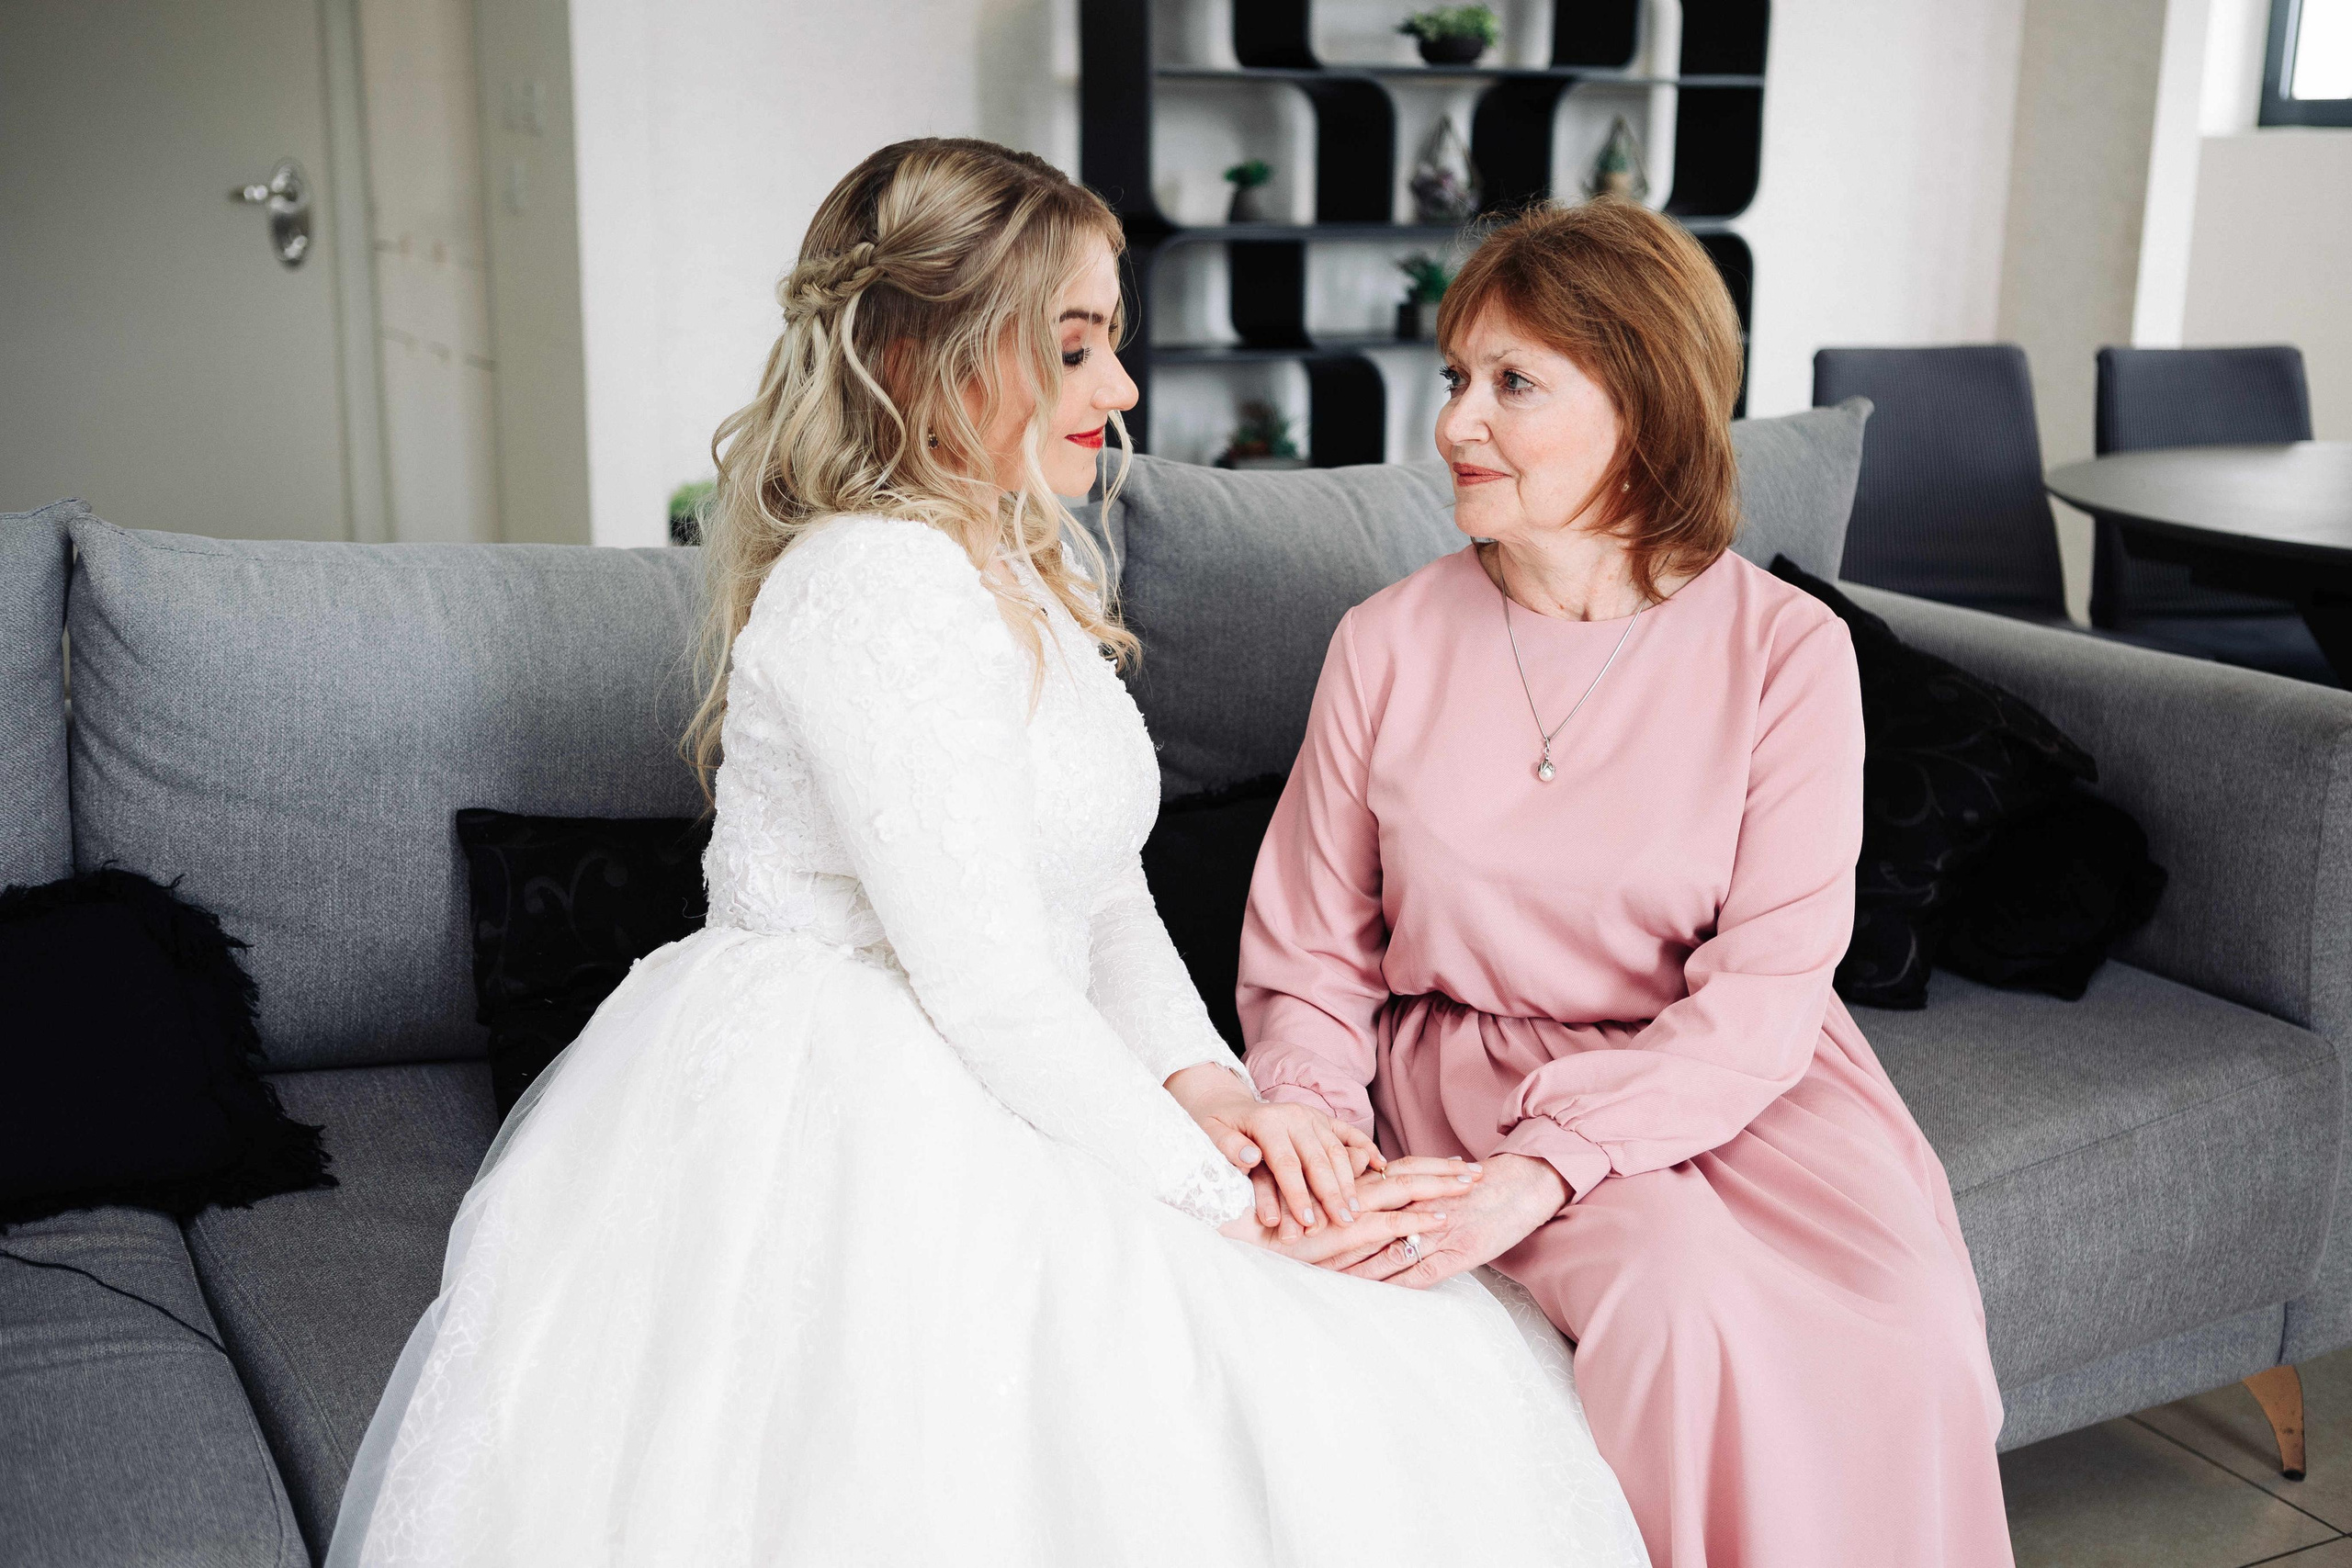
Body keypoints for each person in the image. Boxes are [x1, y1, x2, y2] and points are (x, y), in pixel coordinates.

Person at [323, 139, 1649, 1567]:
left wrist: (1223, 1093)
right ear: (927, 352)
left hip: (1013, 1042)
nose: (1122, 391)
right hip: (855, 1089)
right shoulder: (872, 586)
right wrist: (1223, 1196)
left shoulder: (1017, 559)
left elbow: (1104, 898)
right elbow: (990, 983)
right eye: (1074, 350)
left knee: (1391, 1356)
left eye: (1113, 346)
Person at [1238, 198, 2015, 1568]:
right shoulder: (1387, 644)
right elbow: (1307, 951)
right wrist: (1317, 1120)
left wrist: (1555, 1168)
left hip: (1737, 1078)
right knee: (1677, 1295)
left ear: (1646, 405)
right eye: (1456, 379)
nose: (1457, 425)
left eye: (1515, 385)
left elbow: (1772, 983)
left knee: (1920, 1327)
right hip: (1477, 1073)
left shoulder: (1788, 654)